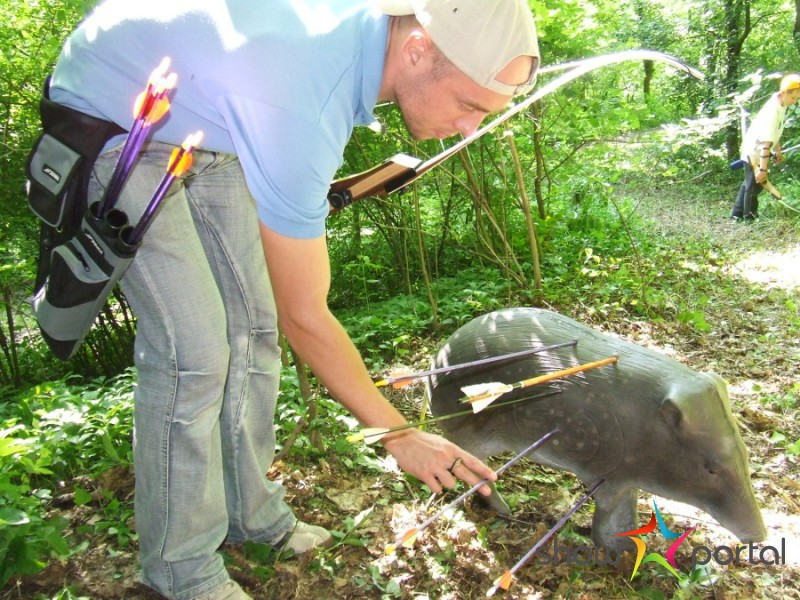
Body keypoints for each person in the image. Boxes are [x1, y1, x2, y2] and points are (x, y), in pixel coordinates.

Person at [45, 1, 540, 598]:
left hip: (211, 114)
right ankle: (181, 570)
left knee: (253, 327)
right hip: (115, 116)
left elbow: (281, 316)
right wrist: (398, 434)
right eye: (469, 106)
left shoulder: (342, 55)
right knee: (196, 352)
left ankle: (253, 515)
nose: (470, 129)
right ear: (416, 50)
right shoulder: (299, 101)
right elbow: (306, 316)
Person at [731, 73, 800, 221]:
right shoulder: (772, 111)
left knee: (749, 183)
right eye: (793, 98)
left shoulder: (782, 104)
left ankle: (736, 214)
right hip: (754, 151)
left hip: (761, 148)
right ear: (783, 93)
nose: (794, 101)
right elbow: (765, 143)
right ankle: (748, 217)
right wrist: (762, 170)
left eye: (797, 98)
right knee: (755, 184)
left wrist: (778, 150)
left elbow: (775, 132)